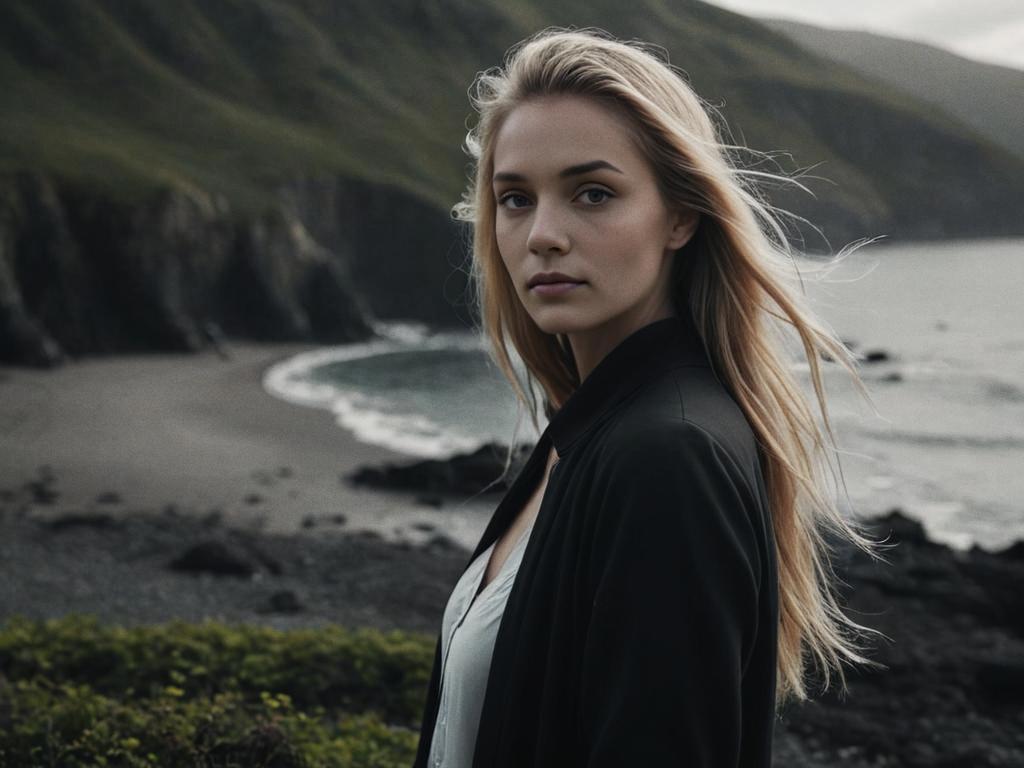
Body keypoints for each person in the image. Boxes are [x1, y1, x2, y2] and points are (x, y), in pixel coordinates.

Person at [414, 26, 888, 767]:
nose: (542, 235)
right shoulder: (587, 429)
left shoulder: (668, 454)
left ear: (680, 215)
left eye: (592, 193)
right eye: (515, 198)